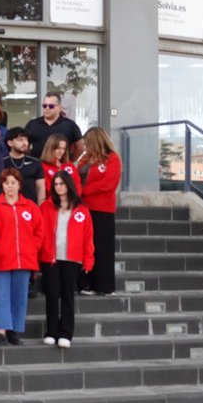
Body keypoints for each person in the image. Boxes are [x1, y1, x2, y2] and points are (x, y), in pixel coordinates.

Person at [0, 168, 43, 348]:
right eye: (6, 183)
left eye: (13, 183)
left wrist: (32, 248)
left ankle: (13, 330)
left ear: (19, 185)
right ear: (2, 185)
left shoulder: (30, 207)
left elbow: (39, 232)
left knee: (19, 295)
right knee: (1, 295)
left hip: (24, 260)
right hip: (1, 259)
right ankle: (0, 331)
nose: (10, 186)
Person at [40, 171, 94, 348]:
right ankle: (51, 331)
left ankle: (66, 333)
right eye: (55, 184)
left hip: (72, 258)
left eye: (61, 183)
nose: (58, 187)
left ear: (68, 185)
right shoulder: (47, 206)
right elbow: (40, 232)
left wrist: (88, 260)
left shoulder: (81, 208)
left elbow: (88, 237)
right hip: (51, 258)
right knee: (52, 294)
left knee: (67, 295)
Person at [79, 126, 121, 296]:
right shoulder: (84, 159)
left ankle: (103, 285)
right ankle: (86, 283)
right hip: (84, 208)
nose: (85, 146)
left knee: (102, 247)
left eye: (87, 143)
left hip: (102, 209)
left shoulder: (112, 159)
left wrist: (84, 190)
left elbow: (109, 184)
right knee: (87, 247)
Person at [25, 92, 85, 161]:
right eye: (44, 106)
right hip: (37, 168)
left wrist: (68, 162)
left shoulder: (70, 125)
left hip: (60, 168)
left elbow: (80, 147)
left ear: (59, 107)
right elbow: (24, 145)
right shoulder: (33, 124)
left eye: (51, 106)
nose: (47, 108)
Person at [2, 127, 45, 205]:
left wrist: (40, 206)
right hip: (7, 207)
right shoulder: (2, 162)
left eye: (26, 140)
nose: (25, 143)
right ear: (10, 143)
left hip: (31, 207)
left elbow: (40, 187)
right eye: (20, 140)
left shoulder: (35, 162)